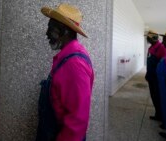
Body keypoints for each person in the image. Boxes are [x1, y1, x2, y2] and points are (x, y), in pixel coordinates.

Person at [36, 3, 94, 141]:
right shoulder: (66, 56)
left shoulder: (74, 64)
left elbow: (77, 120)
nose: (46, 34)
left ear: (64, 32)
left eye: (50, 29)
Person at [145, 30, 166, 121]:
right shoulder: (151, 48)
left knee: (158, 97)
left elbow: (164, 64)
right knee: (153, 96)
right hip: (151, 76)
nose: (147, 39)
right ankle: (157, 114)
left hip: (157, 78)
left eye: (148, 38)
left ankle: (162, 117)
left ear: (153, 38)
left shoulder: (161, 48)